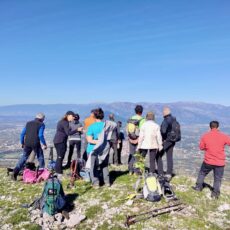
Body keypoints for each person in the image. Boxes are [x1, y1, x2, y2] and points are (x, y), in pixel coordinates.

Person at [192, 121, 230, 199]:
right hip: (219, 162)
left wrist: (208, 148)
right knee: (217, 178)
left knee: (202, 173)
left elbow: (201, 147)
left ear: (210, 127)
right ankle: (215, 194)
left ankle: (198, 187)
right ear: (218, 127)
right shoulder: (224, 136)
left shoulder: (205, 136)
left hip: (208, 161)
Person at [12, 113, 47, 180]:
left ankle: (15, 172)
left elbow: (22, 134)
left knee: (24, 158)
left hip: (27, 143)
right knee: (40, 157)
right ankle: (42, 173)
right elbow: (40, 135)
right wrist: (44, 144)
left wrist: (22, 143)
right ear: (42, 119)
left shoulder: (28, 123)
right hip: (35, 143)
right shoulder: (41, 124)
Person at [53, 111, 83, 176]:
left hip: (58, 140)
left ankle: (58, 169)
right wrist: (77, 130)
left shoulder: (62, 121)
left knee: (60, 156)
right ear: (68, 115)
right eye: (72, 117)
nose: (73, 118)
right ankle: (58, 171)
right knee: (60, 156)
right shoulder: (65, 122)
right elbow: (68, 133)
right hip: (60, 141)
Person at [86, 108, 110, 187]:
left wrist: (98, 142)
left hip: (93, 149)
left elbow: (89, 140)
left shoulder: (91, 127)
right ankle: (107, 182)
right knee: (104, 165)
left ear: (94, 116)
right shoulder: (106, 126)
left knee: (93, 166)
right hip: (104, 148)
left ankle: (96, 183)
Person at [160, 107, 177, 180]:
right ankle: (169, 173)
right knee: (169, 157)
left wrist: (162, 139)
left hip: (166, 140)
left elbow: (163, 131)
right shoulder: (174, 119)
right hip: (173, 140)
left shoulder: (166, 121)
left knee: (158, 155)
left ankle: (160, 172)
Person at [127, 105, 145, 174]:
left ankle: (130, 170)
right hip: (138, 139)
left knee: (131, 154)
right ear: (141, 111)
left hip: (131, 138)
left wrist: (130, 138)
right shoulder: (142, 120)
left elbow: (127, 129)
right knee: (138, 154)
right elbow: (142, 131)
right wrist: (138, 140)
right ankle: (136, 171)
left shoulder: (131, 118)